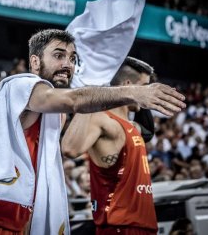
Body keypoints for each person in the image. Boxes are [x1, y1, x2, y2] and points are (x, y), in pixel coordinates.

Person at [0, 29, 185, 234]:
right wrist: (134, 92)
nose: (67, 64)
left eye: (72, 58)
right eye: (59, 55)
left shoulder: (53, 115)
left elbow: (35, 182)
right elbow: (74, 100)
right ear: (35, 62)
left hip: (14, 223)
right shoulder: (19, 85)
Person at [62, 57, 161, 234]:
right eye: (145, 86)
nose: (148, 93)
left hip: (144, 224)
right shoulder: (102, 118)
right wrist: (90, 92)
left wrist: (141, 95)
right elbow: (69, 148)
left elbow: (148, 131)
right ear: (129, 84)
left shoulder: (132, 126)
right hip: (119, 226)